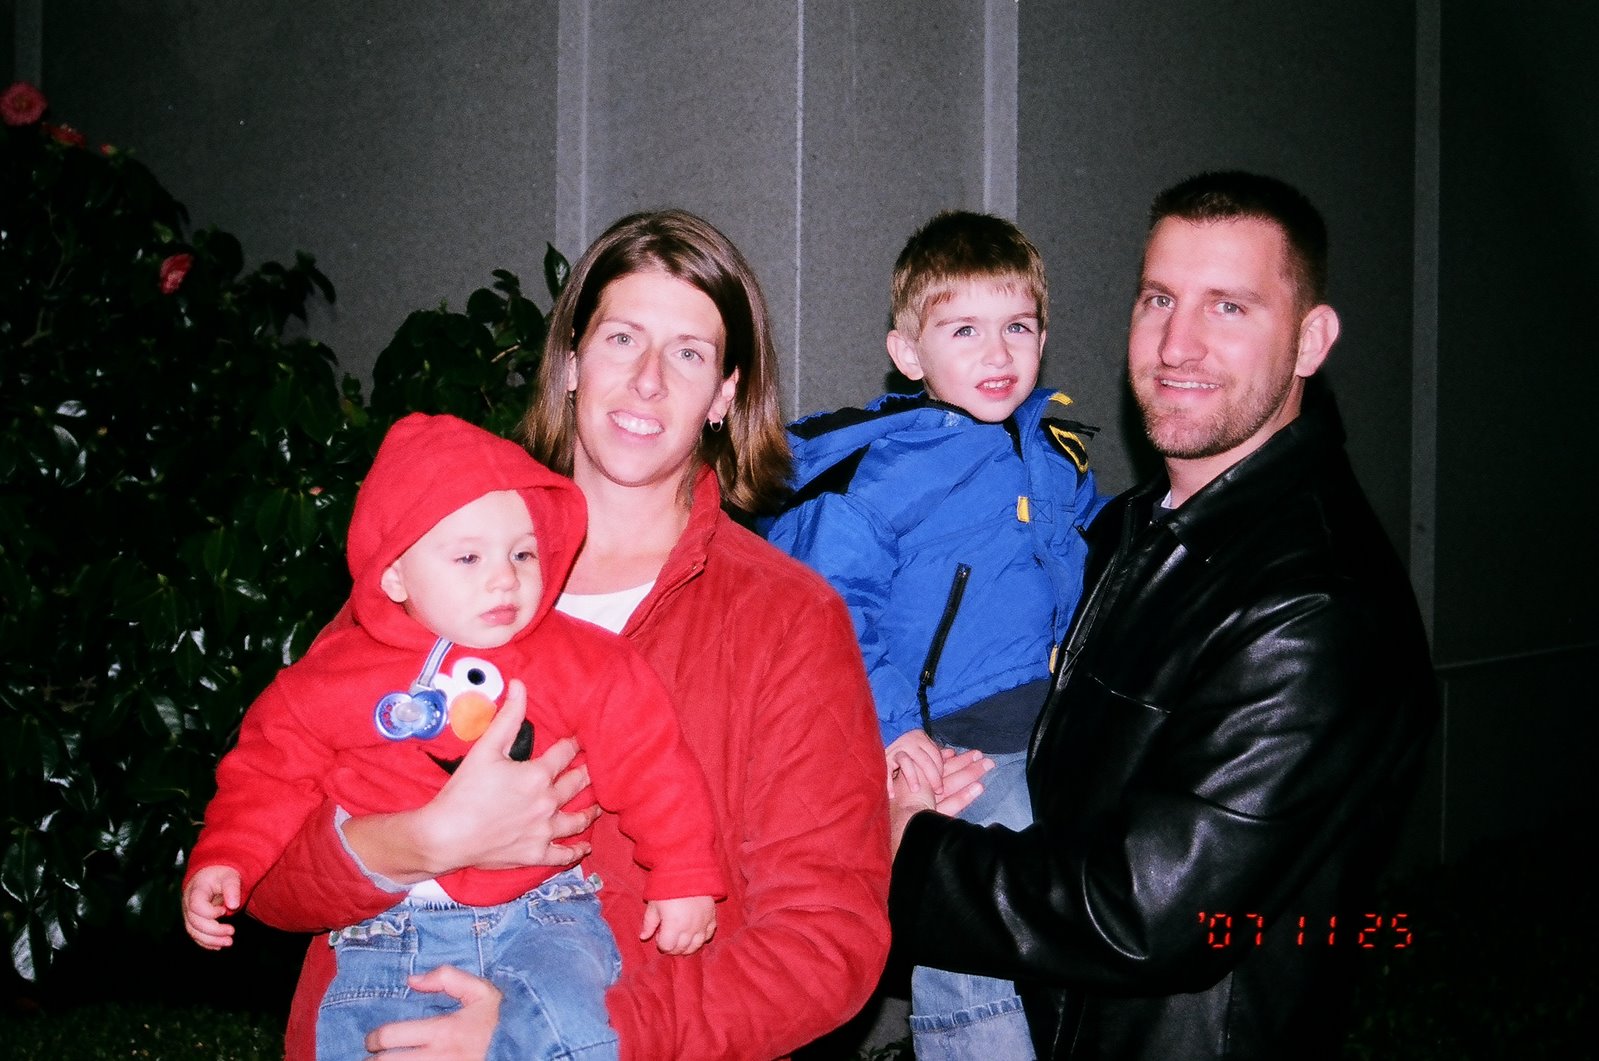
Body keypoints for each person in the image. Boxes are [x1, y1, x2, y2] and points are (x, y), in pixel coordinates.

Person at [239, 210, 897, 1060]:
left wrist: (555, 1038)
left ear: (725, 394)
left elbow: (825, 941)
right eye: (622, 339)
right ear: (573, 361)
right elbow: (264, 874)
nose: (648, 381)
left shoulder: (784, 619)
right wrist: (417, 841)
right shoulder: (433, 561)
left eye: (688, 354)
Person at [886, 171, 1439, 1059]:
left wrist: (909, 849)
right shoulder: (1121, 530)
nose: (1177, 344)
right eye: (1157, 300)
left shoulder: (1314, 604)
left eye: (1228, 307)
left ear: (1309, 340)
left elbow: (1145, 914)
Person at [181, 412, 724, 1059]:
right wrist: (227, 858)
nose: (504, 577)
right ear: (394, 574)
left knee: (575, 1029)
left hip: (544, 915)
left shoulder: (583, 660)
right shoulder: (332, 674)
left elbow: (652, 764)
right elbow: (269, 773)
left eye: (522, 553)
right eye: (468, 556)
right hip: (386, 932)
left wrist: (683, 874)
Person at [763, 209, 1104, 1058]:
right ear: (909, 353)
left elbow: (1093, 559)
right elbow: (825, 601)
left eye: (1017, 327)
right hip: (949, 738)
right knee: (970, 927)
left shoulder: (1053, 450)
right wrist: (891, 727)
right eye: (964, 330)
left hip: (1047, 725)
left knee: (1071, 915)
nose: (997, 353)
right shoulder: (895, 464)